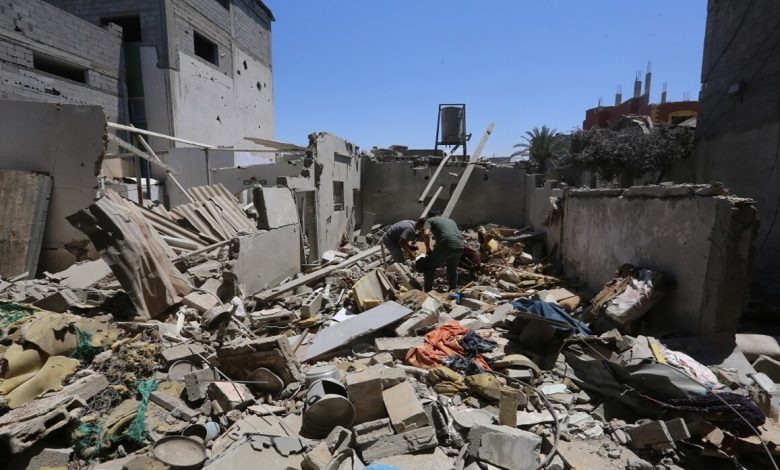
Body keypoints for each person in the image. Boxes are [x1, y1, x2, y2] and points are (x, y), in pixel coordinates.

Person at [419, 211, 464, 292]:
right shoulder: (451, 220)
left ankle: (427, 291)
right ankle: (453, 289)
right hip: (460, 246)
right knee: (452, 269)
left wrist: (428, 248)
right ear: (440, 215)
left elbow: (426, 234)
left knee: (429, 266)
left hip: (446, 245)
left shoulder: (429, 220)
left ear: (429, 216)